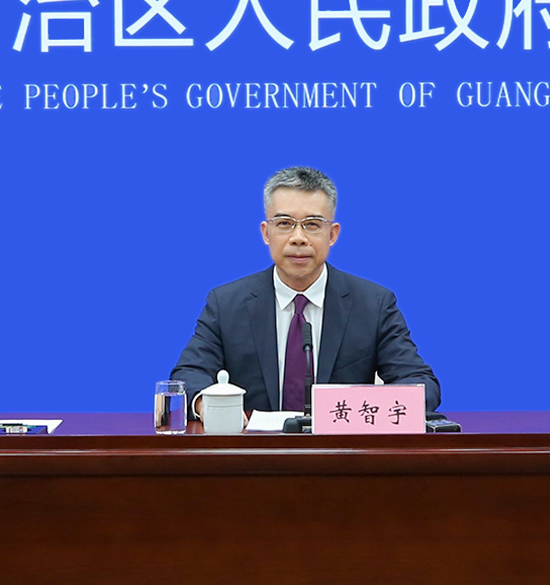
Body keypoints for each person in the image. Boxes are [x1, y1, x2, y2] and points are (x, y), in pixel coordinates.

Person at [171, 166, 440, 417]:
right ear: (266, 232)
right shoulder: (226, 304)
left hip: (341, 449)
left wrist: (365, 411)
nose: (298, 238)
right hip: (253, 449)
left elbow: (421, 384)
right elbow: (188, 375)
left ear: (332, 234)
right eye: (284, 223)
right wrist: (210, 407)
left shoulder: (373, 305)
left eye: (312, 224)